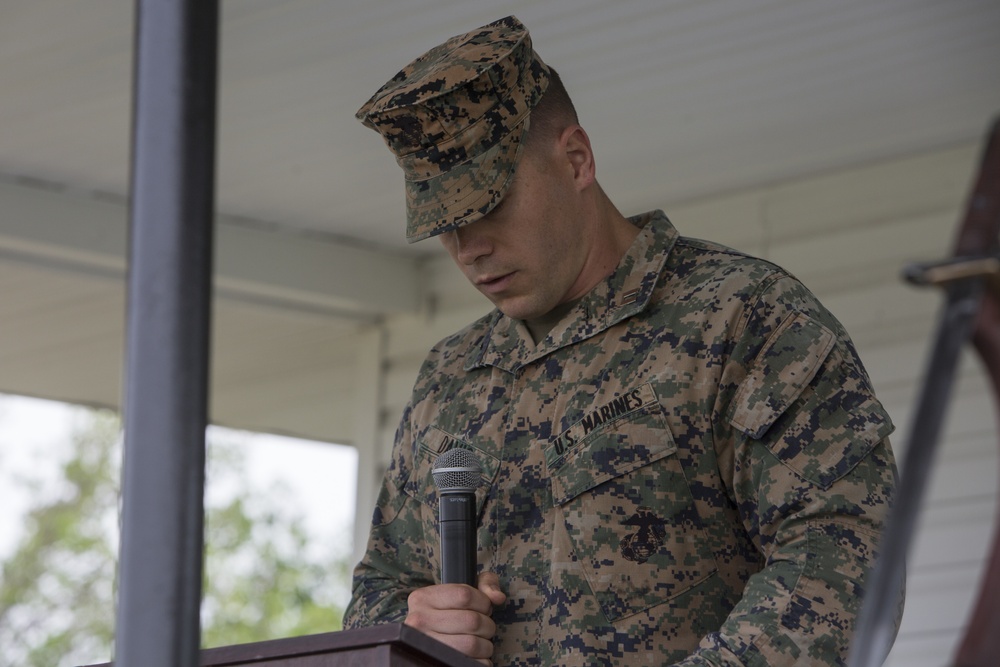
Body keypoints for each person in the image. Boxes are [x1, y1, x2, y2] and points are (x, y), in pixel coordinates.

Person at [343, 15, 901, 667]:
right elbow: (378, 590)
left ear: (576, 159)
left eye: (488, 207)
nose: (469, 250)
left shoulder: (743, 318)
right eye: (446, 226)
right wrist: (413, 622)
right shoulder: (450, 380)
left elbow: (846, 555)